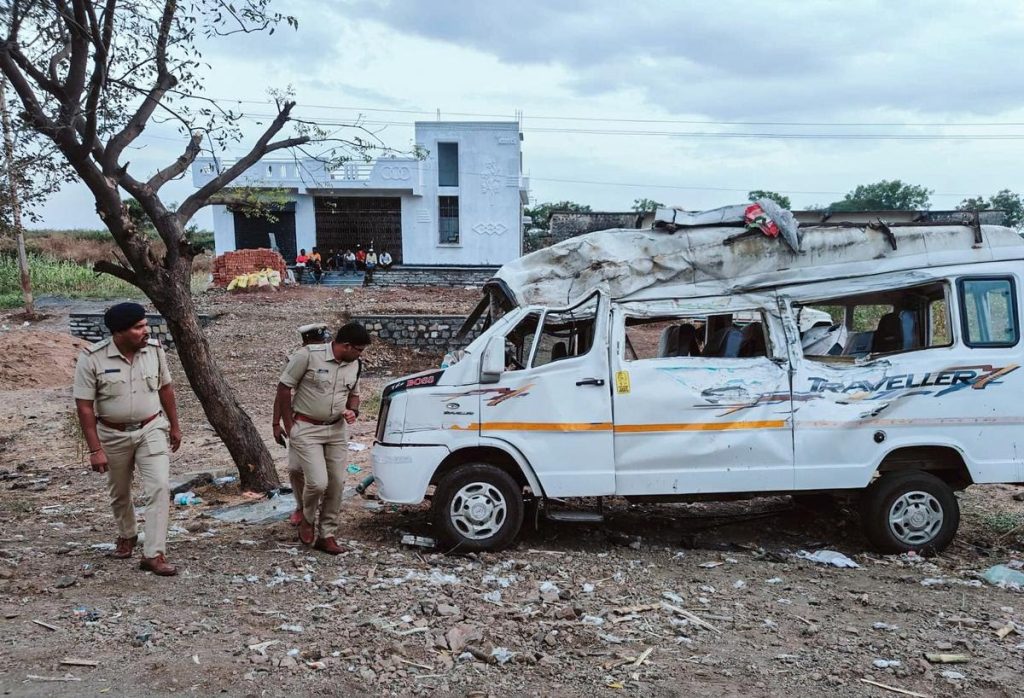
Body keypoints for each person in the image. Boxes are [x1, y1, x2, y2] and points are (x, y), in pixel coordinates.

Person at [73, 303, 182, 577]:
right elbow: (84, 406)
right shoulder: (92, 358)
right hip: (111, 433)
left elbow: (166, 389)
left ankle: (154, 554)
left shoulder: (155, 351)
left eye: (145, 325)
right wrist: (95, 448)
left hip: (151, 428)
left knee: (159, 487)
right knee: (119, 492)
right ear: (118, 333)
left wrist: (175, 427)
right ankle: (128, 533)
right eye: (138, 327)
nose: (145, 331)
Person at [273, 322, 371, 554]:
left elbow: (354, 396)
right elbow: (284, 388)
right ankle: (307, 519)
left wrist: (353, 412)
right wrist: (287, 424)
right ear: (346, 345)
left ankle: (327, 534)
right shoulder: (308, 356)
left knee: (336, 483)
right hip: (306, 428)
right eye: (358, 349)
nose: (360, 354)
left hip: (336, 430)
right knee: (317, 482)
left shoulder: (355, 364)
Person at [274, 323, 331, 526]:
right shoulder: (302, 357)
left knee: (324, 475)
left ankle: (320, 510)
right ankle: (301, 506)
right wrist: (279, 423)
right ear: (306, 342)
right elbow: (283, 390)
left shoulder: (335, 359)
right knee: (296, 469)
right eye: (315, 342)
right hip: (302, 424)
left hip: (329, 426)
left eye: (322, 341)